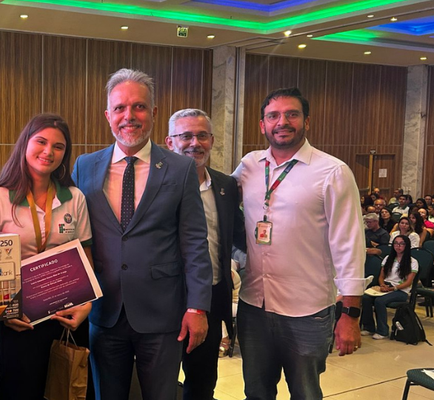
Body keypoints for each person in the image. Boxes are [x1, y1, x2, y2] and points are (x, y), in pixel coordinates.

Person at [73, 68, 212, 400]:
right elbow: (73, 235)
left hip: (162, 313)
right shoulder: (85, 166)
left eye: (138, 107)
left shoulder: (180, 169)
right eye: (120, 108)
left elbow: (194, 241)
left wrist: (197, 307)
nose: (129, 116)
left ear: (153, 112)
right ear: (108, 115)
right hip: (103, 311)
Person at [231, 88, 365, 399]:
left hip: (308, 311)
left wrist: (350, 315)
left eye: (292, 114)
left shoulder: (332, 172)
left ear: (306, 121)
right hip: (254, 305)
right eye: (273, 116)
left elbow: (349, 245)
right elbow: (215, 198)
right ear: (262, 124)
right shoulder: (250, 165)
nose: (282, 122)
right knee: (256, 392)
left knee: (305, 393)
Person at [0, 113, 94, 400]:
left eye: (58, 146)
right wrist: (3, 312)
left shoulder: (74, 197)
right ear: (24, 144)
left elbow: (85, 253)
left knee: (68, 392)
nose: (49, 152)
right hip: (20, 319)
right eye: (41, 142)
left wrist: (87, 304)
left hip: (66, 316)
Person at [165, 108, 245, 400]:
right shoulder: (154, 186)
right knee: (159, 382)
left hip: (210, 300)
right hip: (165, 301)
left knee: (202, 384)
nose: (194, 143)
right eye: (185, 136)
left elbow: (239, 237)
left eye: (201, 136)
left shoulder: (225, 186)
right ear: (169, 142)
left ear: (211, 140)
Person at [360, 234, 418, 339]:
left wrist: (392, 288)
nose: (398, 246)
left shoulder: (412, 262)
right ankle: (369, 327)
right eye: (396, 243)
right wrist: (382, 284)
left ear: (407, 245)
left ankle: (383, 330)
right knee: (365, 298)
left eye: (401, 244)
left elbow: (408, 283)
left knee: (379, 301)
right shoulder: (388, 258)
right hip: (386, 286)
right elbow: (381, 276)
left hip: (401, 291)